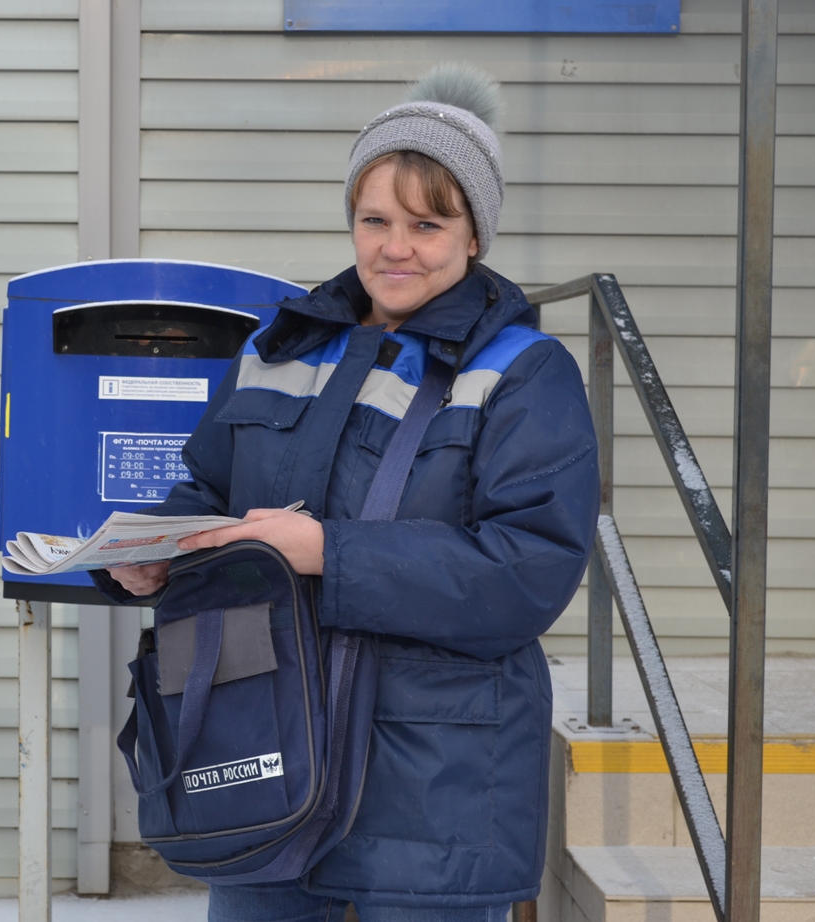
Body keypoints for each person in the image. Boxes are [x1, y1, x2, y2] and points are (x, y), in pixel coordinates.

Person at [94, 64, 600, 922]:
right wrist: (149, 552)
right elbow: (208, 487)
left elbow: (526, 574)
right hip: (263, 761)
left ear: (474, 234)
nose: (394, 247)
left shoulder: (523, 373)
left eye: (426, 223)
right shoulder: (278, 349)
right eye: (375, 219)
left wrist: (331, 553)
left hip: (428, 797)